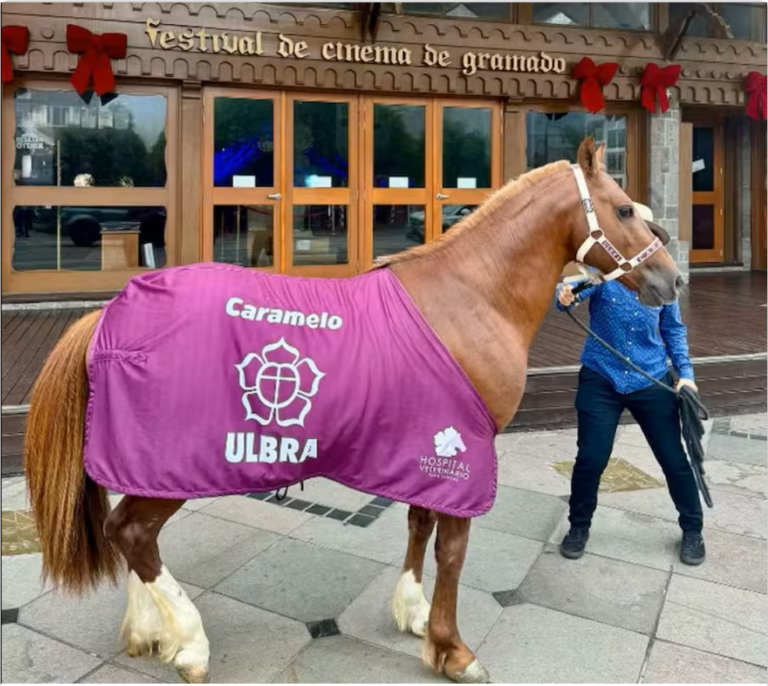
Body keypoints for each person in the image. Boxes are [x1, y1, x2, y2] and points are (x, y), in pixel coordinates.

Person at [556, 204, 705, 566]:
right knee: (591, 457)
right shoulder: (607, 273)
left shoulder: (661, 282)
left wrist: (686, 375)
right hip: (601, 378)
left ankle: (693, 530)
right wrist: (566, 293)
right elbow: (572, 294)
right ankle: (579, 526)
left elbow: (673, 330)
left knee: (675, 460)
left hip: (651, 379)